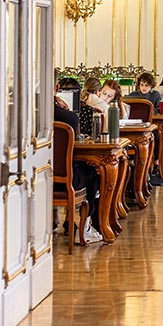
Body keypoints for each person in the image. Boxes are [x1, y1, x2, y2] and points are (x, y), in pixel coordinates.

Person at [53, 89, 103, 242]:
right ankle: (86, 227)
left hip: (38, 177)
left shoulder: (28, 113)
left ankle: (56, 219)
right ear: (56, 89)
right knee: (94, 173)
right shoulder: (68, 117)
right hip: (65, 180)